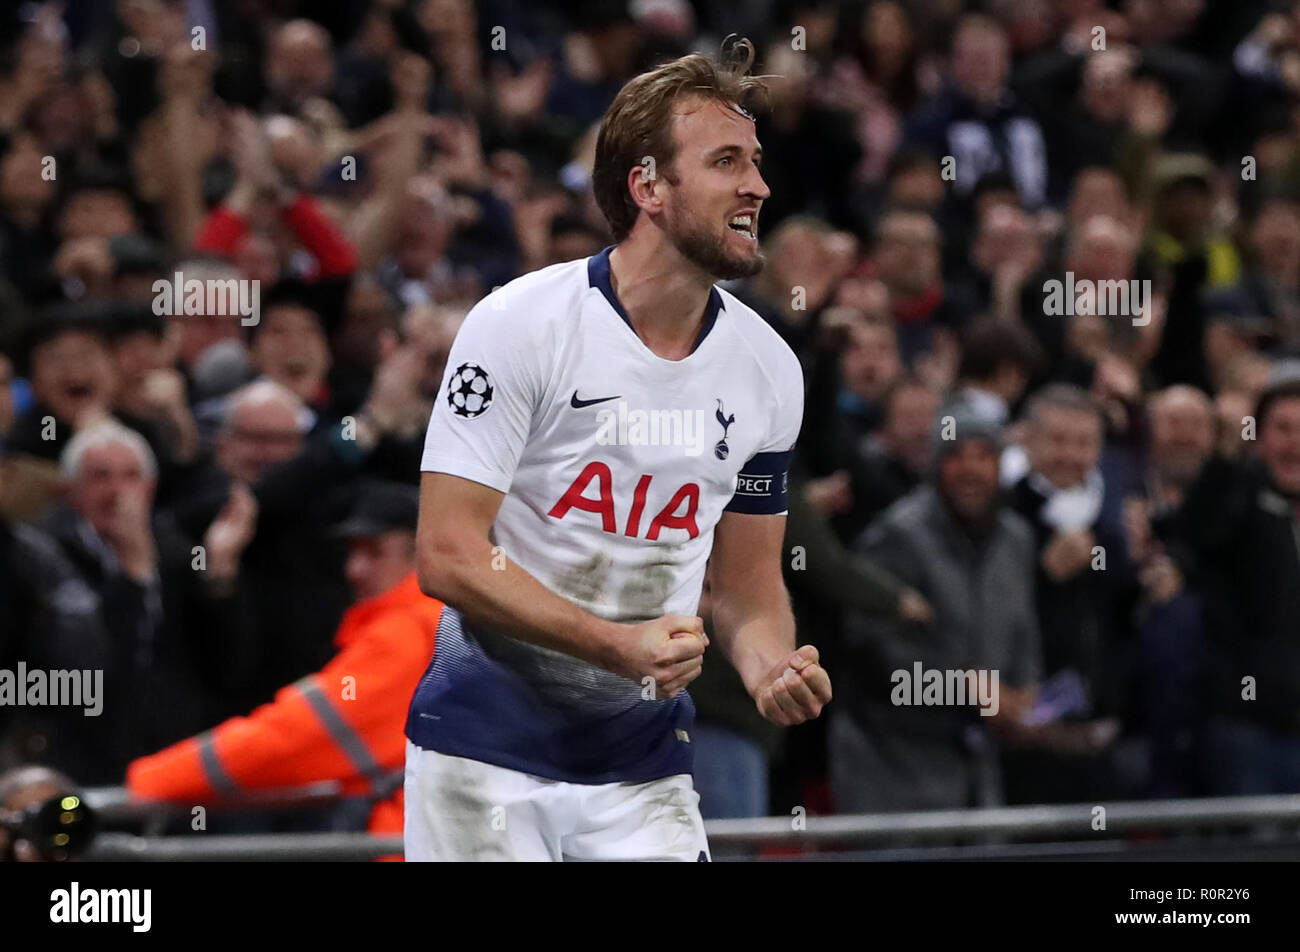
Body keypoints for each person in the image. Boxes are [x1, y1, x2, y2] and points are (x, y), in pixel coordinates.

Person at [404, 39, 831, 862]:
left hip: (643, 768)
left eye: (757, 162)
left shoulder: (771, 369)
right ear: (649, 187)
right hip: (480, 755)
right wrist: (615, 645)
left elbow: (744, 589)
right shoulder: (518, 324)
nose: (758, 186)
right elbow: (447, 554)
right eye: (727, 162)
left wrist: (769, 663)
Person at [127, 482, 443, 854]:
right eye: (351, 552)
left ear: (420, 556)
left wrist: (151, 780)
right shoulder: (441, 624)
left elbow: (294, 736)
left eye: (375, 553)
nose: (354, 570)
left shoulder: (407, 631)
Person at [832, 409, 1041, 813]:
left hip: (978, 765)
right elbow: (871, 652)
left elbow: (1024, 631)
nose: (971, 470)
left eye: (984, 457)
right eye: (957, 456)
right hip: (890, 761)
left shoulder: (1017, 539)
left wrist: (1025, 694)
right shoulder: (897, 535)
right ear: (935, 464)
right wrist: (964, 687)